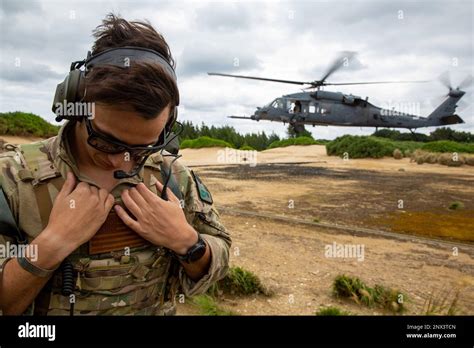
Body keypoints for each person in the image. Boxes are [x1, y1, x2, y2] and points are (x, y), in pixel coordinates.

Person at [0, 14, 231, 316]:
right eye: (106, 141)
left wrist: (187, 242)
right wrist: (53, 243)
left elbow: (221, 254)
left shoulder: (170, 174)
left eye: (142, 148)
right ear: (76, 102)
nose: (120, 159)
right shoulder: (13, 180)